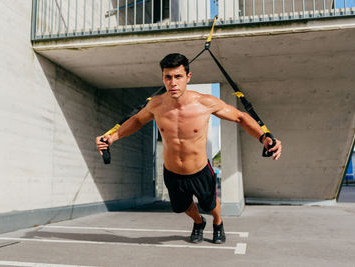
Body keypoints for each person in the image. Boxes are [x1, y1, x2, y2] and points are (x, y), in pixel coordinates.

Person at [96, 53, 282, 244]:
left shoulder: (204, 102)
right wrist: (112, 137)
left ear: (188, 77)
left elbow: (240, 117)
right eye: (168, 77)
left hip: (200, 170)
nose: (173, 83)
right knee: (182, 207)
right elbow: (136, 120)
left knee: (210, 205)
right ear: (163, 78)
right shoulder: (156, 104)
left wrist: (263, 136)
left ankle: (218, 223)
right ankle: (199, 222)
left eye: (178, 77)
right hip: (172, 172)